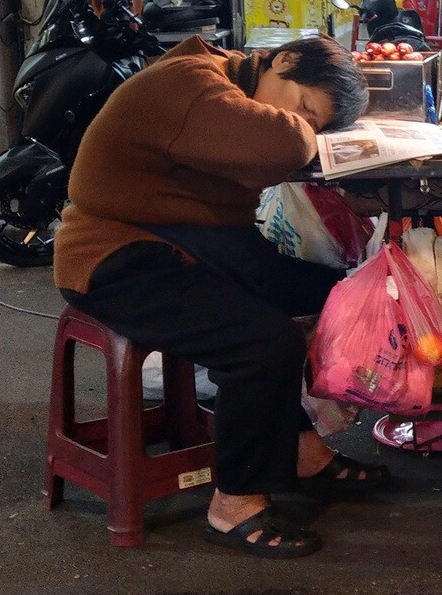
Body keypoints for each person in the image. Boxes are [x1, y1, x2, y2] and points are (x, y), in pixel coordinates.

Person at [54, 34, 386, 560]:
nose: (302, 122)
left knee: (333, 290)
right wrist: (306, 132)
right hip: (117, 260)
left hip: (190, 248)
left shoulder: (227, 82)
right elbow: (280, 146)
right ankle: (233, 503)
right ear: (284, 60)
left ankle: (303, 453)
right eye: (302, 107)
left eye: (314, 120)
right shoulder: (188, 83)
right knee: (262, 342)